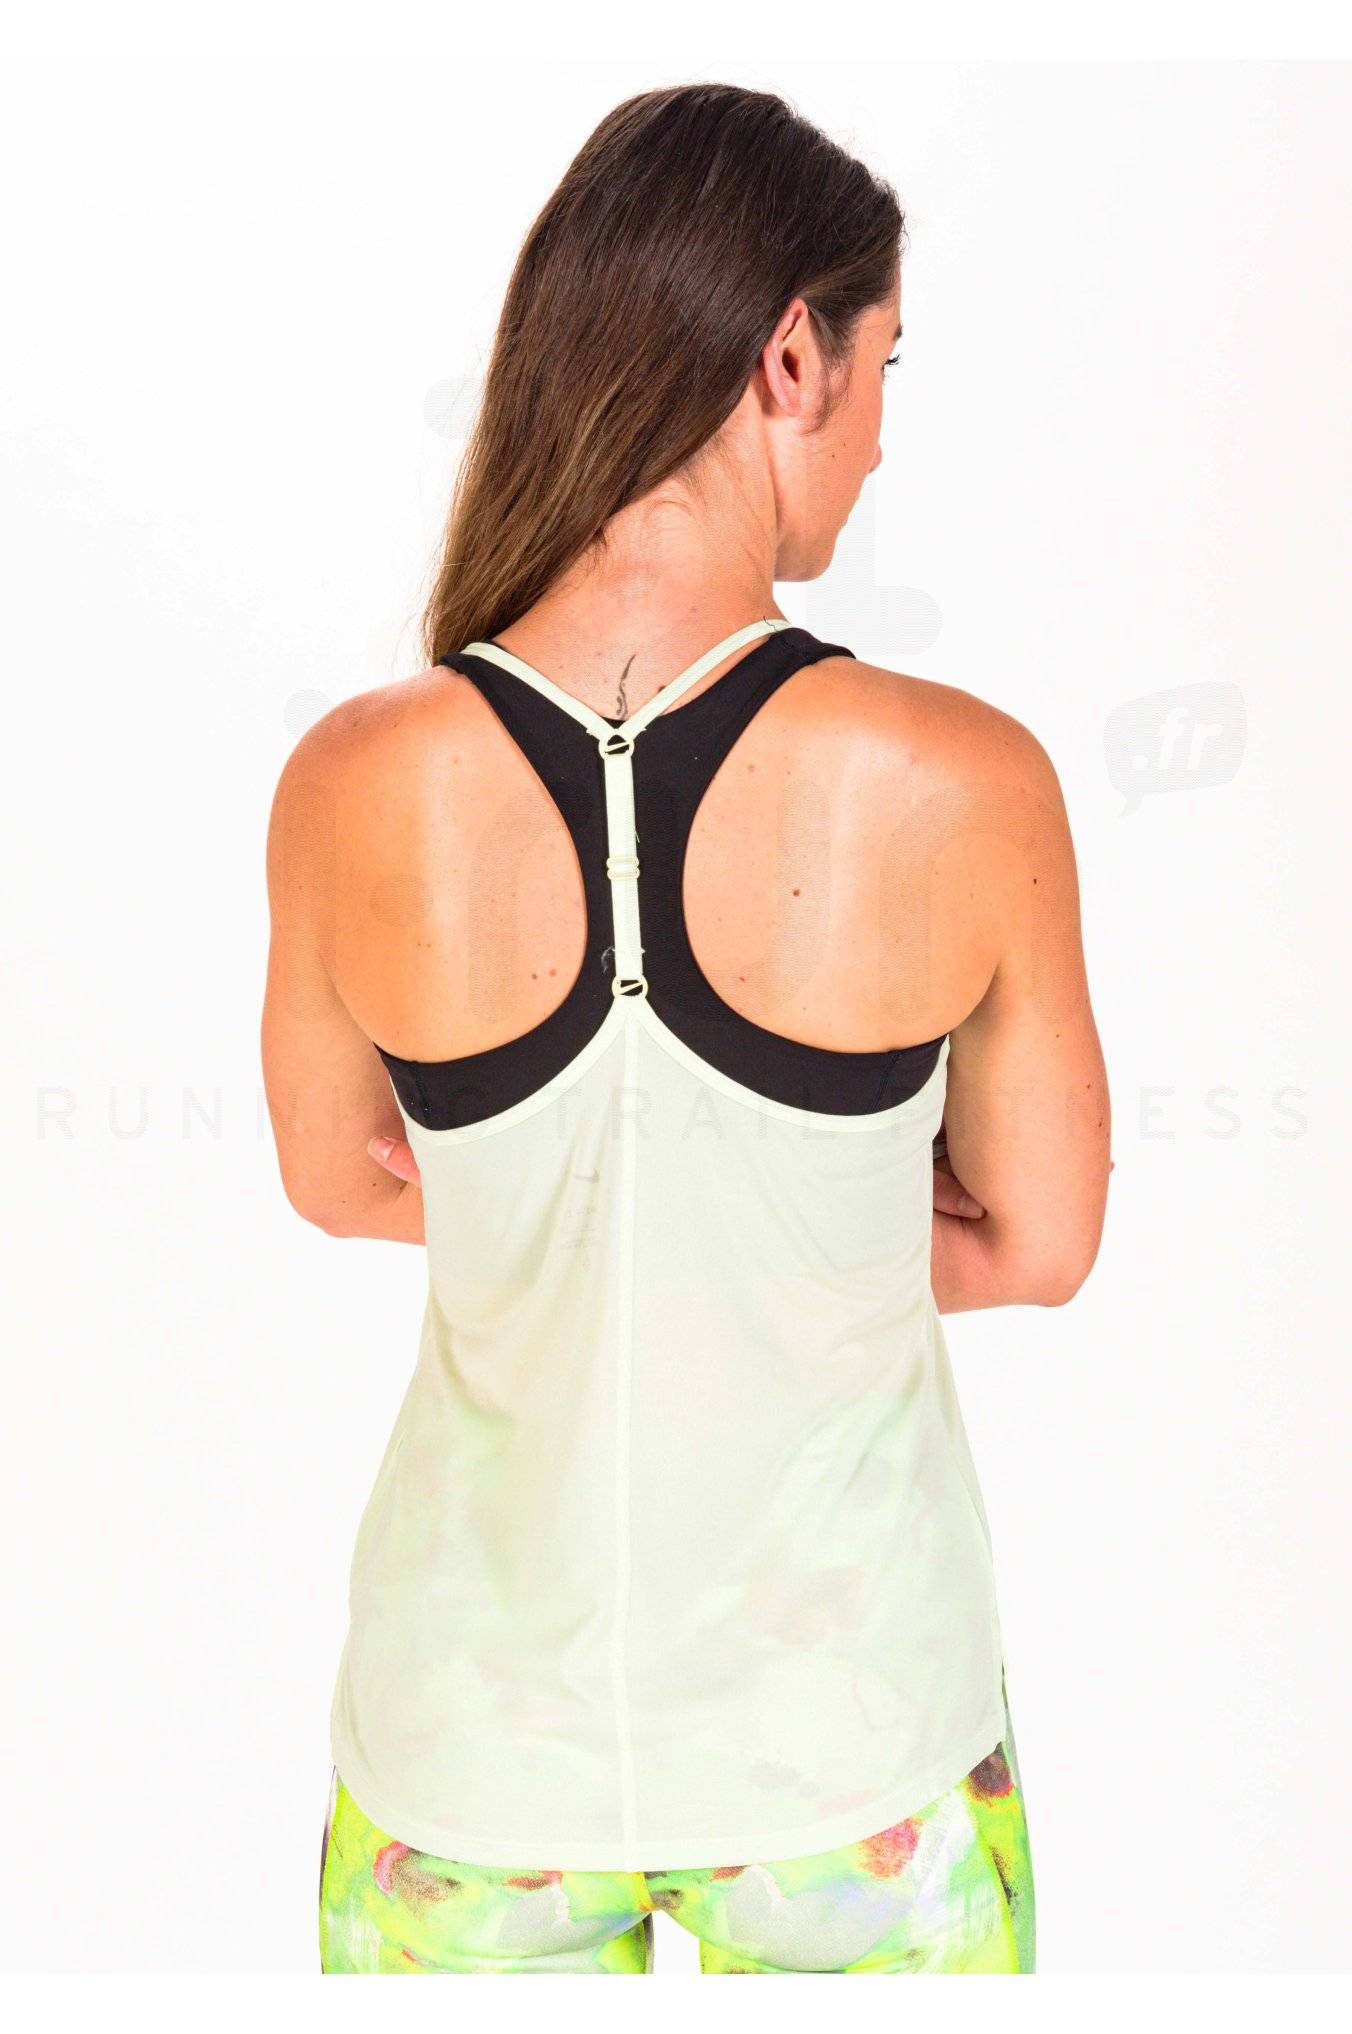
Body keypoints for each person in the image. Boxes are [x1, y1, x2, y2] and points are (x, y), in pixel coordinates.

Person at [262, 81, 1110, 1975]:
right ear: (791, 355)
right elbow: (1041, 1239)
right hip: (852, 1743)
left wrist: (574, 1209)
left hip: (466, 1756)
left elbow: (340, 1175)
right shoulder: (965, 780)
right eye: (887, 365)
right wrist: (795, 1218)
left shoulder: (350, 781)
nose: (882, 437)